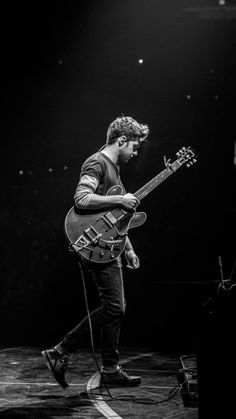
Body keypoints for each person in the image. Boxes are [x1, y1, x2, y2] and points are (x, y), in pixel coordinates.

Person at [41, 115, 149, 389]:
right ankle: (60, 351)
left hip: (109, 246)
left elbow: (116, 217)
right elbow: (82, 198)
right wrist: (120, 198)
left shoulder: (114, 169)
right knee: (113, 307)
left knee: (116, 309)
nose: (135, 153)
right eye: (134, 147)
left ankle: (110, 368)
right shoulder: (97, 162)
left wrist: (129, 249)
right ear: (121, 140)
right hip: (93, 243)